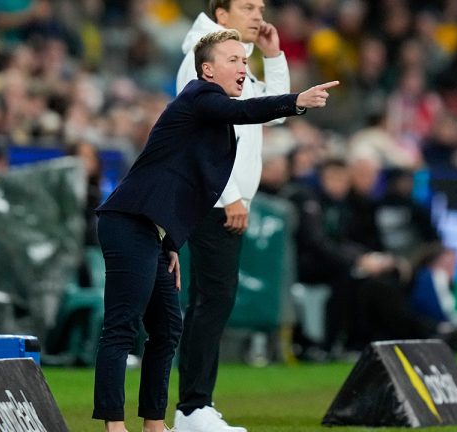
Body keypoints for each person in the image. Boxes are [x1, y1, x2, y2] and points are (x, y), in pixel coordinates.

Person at [92, 29, 337, 432]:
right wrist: (297, 102)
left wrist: (169, 242)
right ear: (207, 70)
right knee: (122, 327)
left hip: (152, 233)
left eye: (244, 60)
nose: (243, 66)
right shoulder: (199, 97)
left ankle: (154, 423)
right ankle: (114, 427)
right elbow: (245, 113)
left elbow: (179, 184)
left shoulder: (210, 118)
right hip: (127, 223)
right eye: (233, 60)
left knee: (168, 328)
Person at [174, 1, 290, 431]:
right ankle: (192, 409)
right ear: (220, 14)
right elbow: (200, 134)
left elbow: (270, 112)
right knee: (210, 302)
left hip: (222, 199)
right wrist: (230, 195)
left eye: (261, 5)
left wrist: (274, 57)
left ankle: (195, 407)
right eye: (247, 5)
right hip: (214, 199)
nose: (258, 12)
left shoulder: (232, 55)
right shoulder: (200, 58)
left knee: (212, 302)